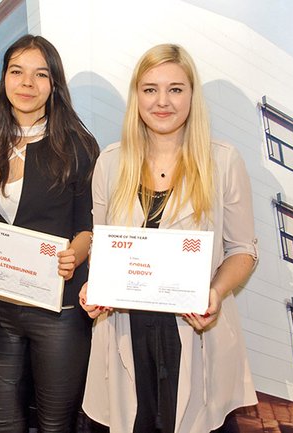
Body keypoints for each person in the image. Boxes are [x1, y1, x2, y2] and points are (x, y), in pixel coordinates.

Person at [79, 44, 258, 433]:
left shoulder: (224, 160)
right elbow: (101, 246)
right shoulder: (110, 163)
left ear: (192, 96)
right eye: (150, 89)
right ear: (136, 96)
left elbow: (243, 250)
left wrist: (216, 292)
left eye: (175, 89)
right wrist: (95, 287)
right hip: (128, 333)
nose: (162, 101)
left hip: (196, 332)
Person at [0, 34, 100, 432]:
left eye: (40, 74)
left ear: (54, 84)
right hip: (2, 309)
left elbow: (90, 222)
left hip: (60, 309)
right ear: (4, 79)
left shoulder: (79, 144)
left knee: (55, 423)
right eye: (17, 72)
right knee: (2, 420)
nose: (27, 84)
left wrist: (76, 254)